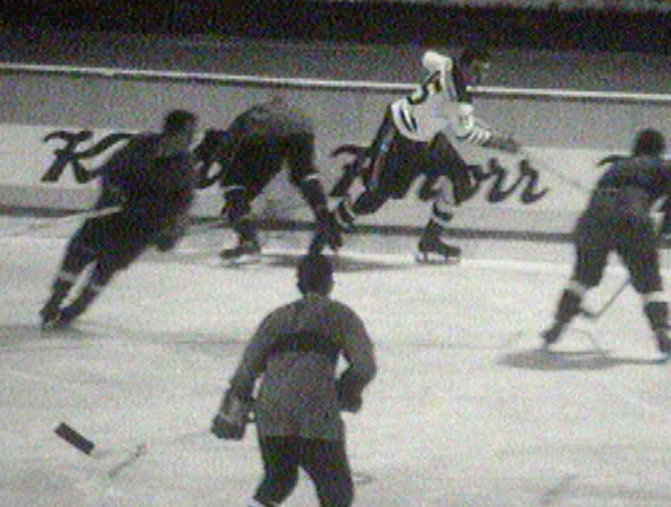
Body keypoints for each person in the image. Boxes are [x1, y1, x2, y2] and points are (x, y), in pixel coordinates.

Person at [211, 253, 377, 507]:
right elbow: (364, 365)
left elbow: (245, 371)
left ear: (298, 282)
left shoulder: (277, 317)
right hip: (316, 412)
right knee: (335, 490)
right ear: (330, 282)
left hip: (271, 411)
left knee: (278, 478)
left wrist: (234, 408)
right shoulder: (341, 315)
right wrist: (347, 391)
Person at [329, 46, 519, 262]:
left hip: (427, 138)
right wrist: (503, 144)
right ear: (464, 65)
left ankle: (430, 240)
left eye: (484, 71)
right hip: (398, 134)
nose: (480, 76)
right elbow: (467, 135)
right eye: (476, 70)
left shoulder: (445, 64)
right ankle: (333, 223)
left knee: (461, 180)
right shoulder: (459, 99)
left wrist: (435, 101)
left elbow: (426, 57)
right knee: (374, 197)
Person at [540, 128, 671, 358]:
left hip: (593, 220)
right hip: (633, 219)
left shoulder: (616, 166)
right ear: (659, 151)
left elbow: (597, 197)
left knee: (583, 275)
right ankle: (661, 330)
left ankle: (559, 322)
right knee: (650, 281)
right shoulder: (663, 166)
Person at [39, 109, 198, 329]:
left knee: (105, 269)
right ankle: (55, 299)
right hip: (107, 216)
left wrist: (171, 228)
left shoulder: (185, 165)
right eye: (187, 132)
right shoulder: (140, 145)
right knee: (76, 256)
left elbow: (182, 203)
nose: (191, 139)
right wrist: (113, 191)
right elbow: (111, 170)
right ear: (172, 132)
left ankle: (77, 308)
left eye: (192, 133)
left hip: (139, 229)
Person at [194, 96, 342, 262]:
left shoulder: (231, 141)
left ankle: (249, 239)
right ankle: (323, 216)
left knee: (232, 183)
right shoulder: (243, 135)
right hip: (301, 125)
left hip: (264, 128)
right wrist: (239, 207)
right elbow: (267, 172)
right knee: (303, 174)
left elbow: (226, 178)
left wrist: (236, 208)